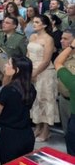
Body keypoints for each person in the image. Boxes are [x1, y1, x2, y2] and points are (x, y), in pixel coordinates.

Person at [0, 55, 36, 164]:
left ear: (16, 70)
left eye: (8, 64)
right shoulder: (31, 88)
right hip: (26, 134)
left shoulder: (8, 91)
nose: (5, 65)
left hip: (8, 137)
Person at [29, 14, 58, 142]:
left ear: (45, 25)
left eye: (37, 22)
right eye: (33, 22)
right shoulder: (32, 36)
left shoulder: (48, 39)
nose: (34, 24)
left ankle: (46, 130)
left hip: (45, 72)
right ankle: (37, 127)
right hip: (32, 71)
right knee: (35, 100)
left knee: (46, 100)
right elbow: (28, 54)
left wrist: (35, 73)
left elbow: (46, 61)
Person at [54, 37, 75, 155]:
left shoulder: (73, 82)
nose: (61, 41)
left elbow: (57, 62)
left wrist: (71, 47)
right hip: (63, 99)